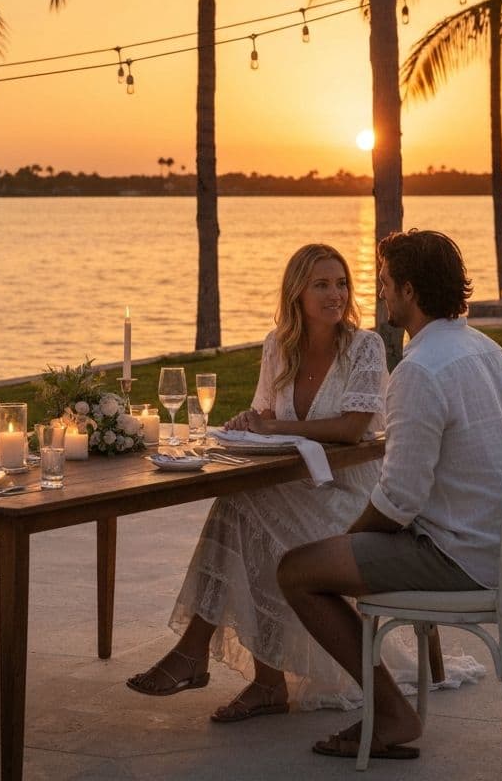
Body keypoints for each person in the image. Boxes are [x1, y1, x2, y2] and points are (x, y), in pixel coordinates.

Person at [277, 229, 502, 761]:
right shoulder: (490, 351)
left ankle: (392, 712)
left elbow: (398, 500)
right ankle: (388, 704)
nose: (381, 294)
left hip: (457, 558)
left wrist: (347, 545)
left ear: (410, 291)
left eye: (386, 283)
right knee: (328, 560)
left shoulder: (420, 370)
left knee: (298, 571)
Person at [125, 242, 389, 720]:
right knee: (243, 508)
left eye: (342, 282)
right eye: (322, 284)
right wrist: (254, 419)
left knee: (242, 508)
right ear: (297, 293)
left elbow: (353, 428)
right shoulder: (278, 345)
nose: (336, 294)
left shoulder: (364, 346)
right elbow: (268, 412)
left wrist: (278, 427)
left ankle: (216, 661)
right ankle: (242, 674)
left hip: (349, 494)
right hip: (296, 486)